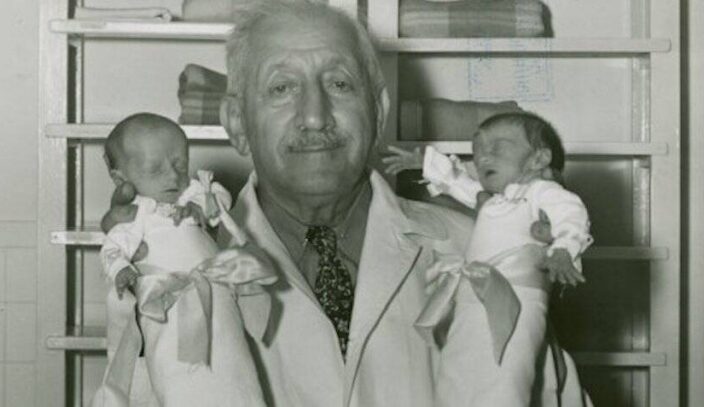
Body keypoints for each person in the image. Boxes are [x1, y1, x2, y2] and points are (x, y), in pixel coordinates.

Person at [102, 2, 593, 406]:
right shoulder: (170, 274)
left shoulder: (484, 253)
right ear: (236, 123)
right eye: (281, 88)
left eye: (339, 84)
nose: (314, 117)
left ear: (377, 112)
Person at [384, 111, 593, 406]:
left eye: (498, 146)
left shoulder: (540, 192)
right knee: (457, 371)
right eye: (478, 149)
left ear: (538, 159)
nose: (483, 157)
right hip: (472, 295)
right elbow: (460, 184)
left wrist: (563, 249)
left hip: (516, 298)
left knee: (504, 375)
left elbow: (571, 214)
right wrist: (427, 165)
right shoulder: (495, 200)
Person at [93, 113, 272, 407]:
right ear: (120, 178)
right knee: (179, 375)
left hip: (219, 299)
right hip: (170, 306)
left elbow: (219, 198)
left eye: (180, 164)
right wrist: (122, 269)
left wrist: (200, 208)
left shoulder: (190, 194)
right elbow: (113, 248)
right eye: (155, 169)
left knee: (233, 366)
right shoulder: (136, 214)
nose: (172, 176)